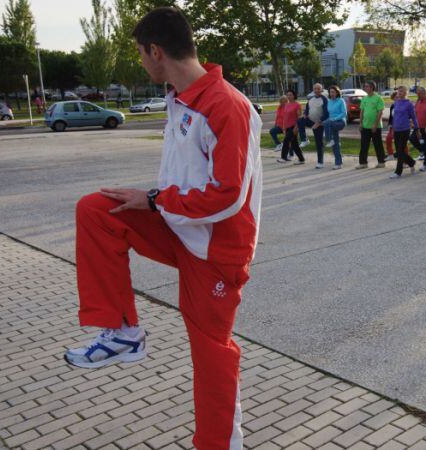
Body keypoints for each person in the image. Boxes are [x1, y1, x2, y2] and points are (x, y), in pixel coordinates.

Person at [64, 8, 262, 449]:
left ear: (156, 51)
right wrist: (153, 200)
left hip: (216, 249)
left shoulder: (226, 105)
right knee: (98, 210)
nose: (140, 63)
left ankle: (220, 444)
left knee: (210, 355)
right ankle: (123, 330)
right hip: (177, 226)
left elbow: (228, 196)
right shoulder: (181, 98)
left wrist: (155, 200)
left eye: (140, 54)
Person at [389, 86, 419, 178]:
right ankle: (411, 162)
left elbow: (414, 117)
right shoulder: (396, 102)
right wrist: (393, 129)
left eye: (401, 91)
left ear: (406, 93)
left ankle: (398, 172)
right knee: (399, 151)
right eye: (399, 91)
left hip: (405, 129)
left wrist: (417, 129)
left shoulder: (409, 104)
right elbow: (395, 117)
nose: (399, 93)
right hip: (396, 129)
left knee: (400, 150)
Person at [357, 81, 387, 169]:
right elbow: (362, 111)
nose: (365, 88)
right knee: (364, 145)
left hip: (375, 127)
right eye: (365, 86)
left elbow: (380, 112)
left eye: (367, 86)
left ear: (372, 87)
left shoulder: (378, 98)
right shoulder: (364, 99)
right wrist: (360, 123)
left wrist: (375, 125)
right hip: (365, 126)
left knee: (378, 145)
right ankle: (363, 163)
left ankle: (381, 162)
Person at [298, 83, 328, 168]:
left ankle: (320, 162)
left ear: (321, 90)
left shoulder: (324, 99)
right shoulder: (311, 99)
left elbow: (326, 114)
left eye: (318, 89)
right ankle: (304, 139)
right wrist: (305, 114)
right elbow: (307, 110)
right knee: (300, 120)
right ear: (313, 90)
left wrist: (318, 122)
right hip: (311, 121)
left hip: (319, 123)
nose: (317, 90)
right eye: (315, 89)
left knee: (319, 142)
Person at [323, 85, 347, 170]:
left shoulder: (341, 101)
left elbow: (344, 113)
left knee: (327, 123)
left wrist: (334, 119)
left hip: (340, 122)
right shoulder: (329, 102)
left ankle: (329, 140)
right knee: (335, 144)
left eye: (333, 92)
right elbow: (329, 114)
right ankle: (338, 163)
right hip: (331, 123)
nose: (332, 93)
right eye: (330, 92)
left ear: (337, 93)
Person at [278, 89, 305, 164]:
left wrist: (296, 127)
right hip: (287, 127)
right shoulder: (287, 105)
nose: (288, 96)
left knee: (286, 141)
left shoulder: (297, 105)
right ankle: (301, 159)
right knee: (294, 144)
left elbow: (299, 117)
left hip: (293, 127)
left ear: (294, 96)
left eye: (290, 95)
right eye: (287, 95)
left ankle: (283, 157)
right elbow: (285, 117)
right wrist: (284, 128)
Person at [385, 91, 397, 161]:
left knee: (401, 143)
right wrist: (389, 124)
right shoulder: (393, 105)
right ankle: (390, 154)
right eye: (395, 97)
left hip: (399, 127)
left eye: (397, 97)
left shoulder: (402, 105)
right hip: (392, 126)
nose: (396, 98)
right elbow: (391, 116)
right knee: (388, 139)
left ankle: (406, 160)